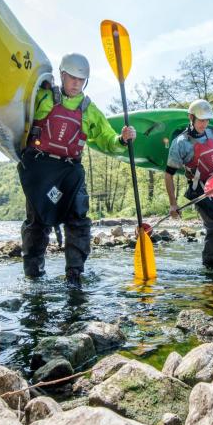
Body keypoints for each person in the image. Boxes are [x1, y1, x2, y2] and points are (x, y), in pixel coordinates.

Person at [18, 53, 135, 286]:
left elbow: (105, 137)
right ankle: (33, 275)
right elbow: (20, 107)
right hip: (40, 168)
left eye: (81, 80)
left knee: (78, 219)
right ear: (62, 75)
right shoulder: (44, 96)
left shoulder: (88, 109)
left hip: (70, 170)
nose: (76, 84)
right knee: (37, 221)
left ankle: (74, 274)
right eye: (71, 78)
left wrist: (121, 140)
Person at [164, 99, 213, 268]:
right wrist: (172, 204)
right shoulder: (180, 143)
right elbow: (168, 175)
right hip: (200, 191)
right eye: (201, 120)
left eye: (207, 120)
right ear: (191, 117)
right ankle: (209, 272)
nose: (204, 124)